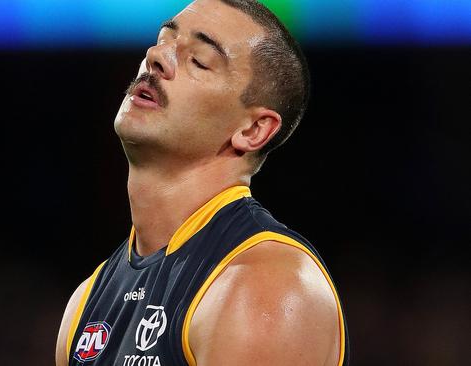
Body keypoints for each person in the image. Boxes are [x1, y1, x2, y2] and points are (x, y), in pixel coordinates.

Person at [56, 0, 349, 365]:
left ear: (253, 130)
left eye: (198, 60)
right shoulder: (86, 302)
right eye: (163, 40)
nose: (156, 57)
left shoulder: (265, 286)